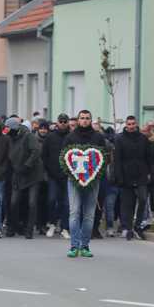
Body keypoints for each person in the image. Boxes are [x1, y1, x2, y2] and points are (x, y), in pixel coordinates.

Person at [63, 110, 106, 258]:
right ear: (78, 120)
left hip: (93, 181)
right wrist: (72, 175)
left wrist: (97, 174)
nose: (85, 121)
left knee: (89, 215)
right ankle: (74, 245)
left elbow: (104, 157)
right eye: (82, 118)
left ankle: (85, 245)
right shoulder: (70, 137)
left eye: (87, 118)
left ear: (91, 120)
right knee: (74, 212)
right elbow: (63, 158)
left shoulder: (98, 137)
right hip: (73, 181)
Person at [4, 117, 44, 239]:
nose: (7, 133)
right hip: (18, 173)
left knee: (32, 203)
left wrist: (27, 165)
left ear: (15, 129)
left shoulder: (28, 136)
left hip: (32, 173)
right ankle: (13, 226)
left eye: (9, 130)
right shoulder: (9, 139)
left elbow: (36, 151)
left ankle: (29, 229)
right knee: (14, 202)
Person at [114, 116, 152, 241]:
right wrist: (119, 177)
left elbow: (148, 157)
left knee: (142, 200)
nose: (131, 126)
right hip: (126, 176)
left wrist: (149, 172)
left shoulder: (143, 138)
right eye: (129, 124)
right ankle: (129, 228)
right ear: (126, 124)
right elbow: (117, 160)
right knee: (127, 204)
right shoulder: (119, 139)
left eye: (133, 124)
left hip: (141, 175)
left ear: (136, 124)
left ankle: (138, 226)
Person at [42, 114, 71, 239]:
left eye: (65, 121)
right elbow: (44, 156)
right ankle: (52, 224)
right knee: (51, 200)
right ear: (57, 122)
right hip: (53, 175)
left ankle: (65, 227)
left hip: (68, 175)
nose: (63, 123)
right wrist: (49, 171)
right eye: (61, 121)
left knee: (66, 203)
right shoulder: (50, 137)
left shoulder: (72, 137)